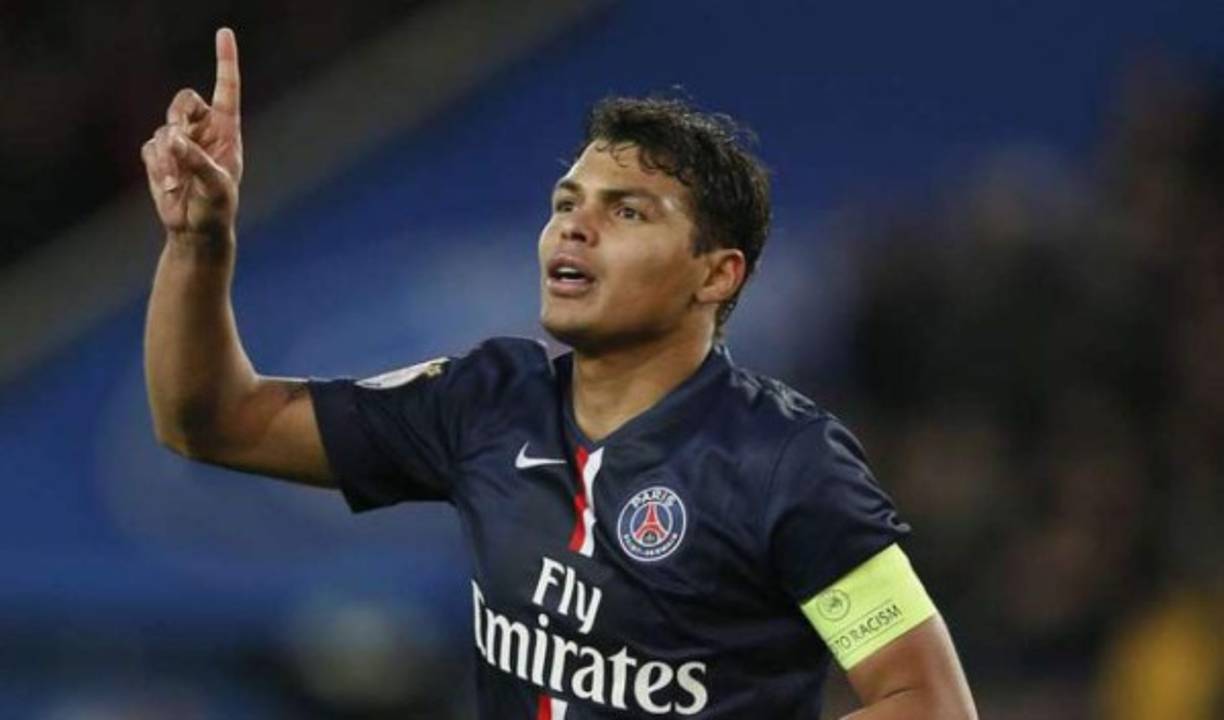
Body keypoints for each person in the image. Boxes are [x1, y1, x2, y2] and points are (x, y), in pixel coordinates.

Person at [141, 27, 978, 719]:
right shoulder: (483, 406)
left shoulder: (787, 462)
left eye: (627, 211)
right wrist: (198, 242)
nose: (575, 229)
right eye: (566, 204)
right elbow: (209, 421)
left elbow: (927, 701)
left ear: (716, 275)